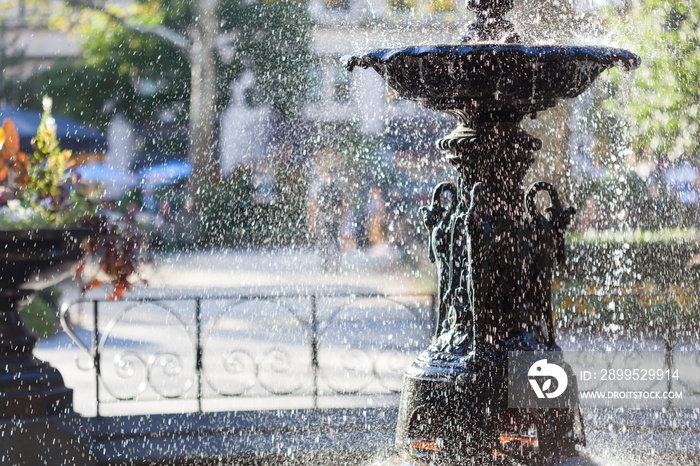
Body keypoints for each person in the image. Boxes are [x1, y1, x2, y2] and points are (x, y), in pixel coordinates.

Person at [307, 147, 348, 273]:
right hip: (327, 216)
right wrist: (312, 219)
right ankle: (329, 264)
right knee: (328, 241)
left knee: (330, 241)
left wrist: (312, 219)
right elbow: (313, 203)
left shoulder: (331, 182)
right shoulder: (324, 182)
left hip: (330, 216)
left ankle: (331, 265)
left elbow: (343, 201)